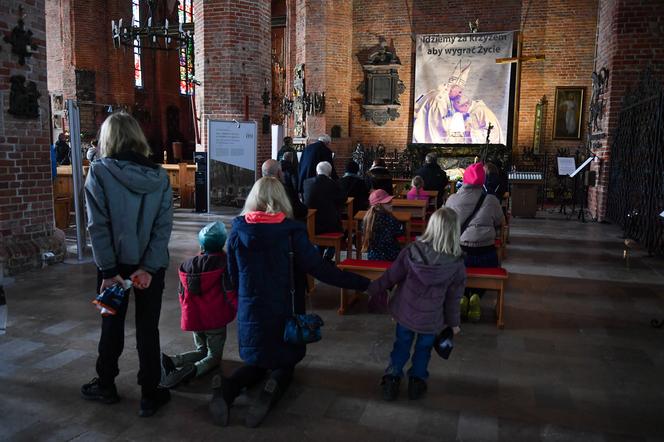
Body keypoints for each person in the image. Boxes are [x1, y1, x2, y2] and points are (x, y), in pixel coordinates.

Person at [212, 177, 370, 428]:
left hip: (251, 311)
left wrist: (239, 304)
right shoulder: (291, 231)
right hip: (284, 310)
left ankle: (229, 388)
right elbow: (319, 268)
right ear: (281, 199)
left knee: (256, 360)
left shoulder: (238, 231)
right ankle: (271, 390)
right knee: (285, 363)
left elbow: (231, 277)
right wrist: (363, 283)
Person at [81, 112, 173, 417]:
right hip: (151, 268)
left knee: (111, 323)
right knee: (148, 328)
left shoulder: (99, 172)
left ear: (108, 139)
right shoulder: (159, 176)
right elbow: (163, 228)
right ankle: (150, 393)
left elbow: (98, 226)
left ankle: (106, 384)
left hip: (114, 267)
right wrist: (148, 266)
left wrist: (108, 271)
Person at [367, 207, 465, 401]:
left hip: (406, 313)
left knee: (401, 345)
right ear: (455, 231)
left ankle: (391, 379)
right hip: (431, 318)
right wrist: (454, 324)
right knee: (423, 350)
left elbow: (391, 276)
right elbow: (454, 299)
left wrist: (372, 288)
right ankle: (416, 382)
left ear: (431, 227)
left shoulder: (412, 251)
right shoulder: (457, 264)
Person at [160, 222, 237, 389]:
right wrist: (239, 308)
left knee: (202, 350)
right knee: (214, 358)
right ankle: (191, 371)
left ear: (201, 244)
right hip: (215, 320)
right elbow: (230, 293)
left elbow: (182, 295)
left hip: (196, 319)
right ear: (222, 243)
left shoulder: (188, 266)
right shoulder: (224, 265)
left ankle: (172, 361)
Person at [445, 163, 504, 322]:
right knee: (489, 262)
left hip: (460, 253)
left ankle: (463, 297)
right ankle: (476, 296)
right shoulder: (491, 199)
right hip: (486, 253)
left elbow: (445, 223)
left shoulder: (452, 199)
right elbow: (500, 222)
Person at [303, 161, 345, 259]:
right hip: (329, 224)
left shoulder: (306, 183)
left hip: (310, 223)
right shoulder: (333, 184)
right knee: (340, 230)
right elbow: (342, 199)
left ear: (317, 172)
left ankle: (319, 257)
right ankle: (327, 257)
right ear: (330, 172)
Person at [362, 189, 403, 261]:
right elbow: (399, 232)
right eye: (387, 202)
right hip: (391, 256)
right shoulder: (390, 219)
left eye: (390, 201)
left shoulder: (367, 218)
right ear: (379, 205)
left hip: (373, 257)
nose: (391, 204)